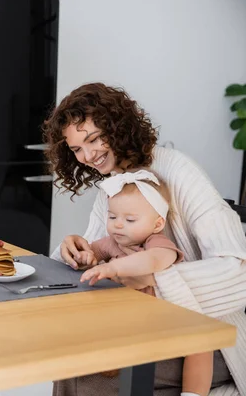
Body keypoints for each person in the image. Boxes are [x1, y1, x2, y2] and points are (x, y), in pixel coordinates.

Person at [43, 82, 246, 395]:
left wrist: (150, 284)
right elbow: (99, 255)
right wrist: (73, 250)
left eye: (94, 139)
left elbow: (238, 273)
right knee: (71, 355)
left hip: (211, 337)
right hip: (143, 324)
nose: (88, 155)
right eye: (76, 149)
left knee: (89, 373)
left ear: (119, 127)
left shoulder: (180, 172)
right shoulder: (111, 186)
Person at [76, 169, 213, 396]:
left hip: (160, 315)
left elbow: (154, 260)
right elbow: (92, 251)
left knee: (201, 343)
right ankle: (109, 359)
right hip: (122, 314)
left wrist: (114, 267)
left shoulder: (157, 242)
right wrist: (85, 257)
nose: (118, 225)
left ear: (157, 224)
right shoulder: (112, 242)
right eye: (112, 217)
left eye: (130, 219)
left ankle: (193, 394)